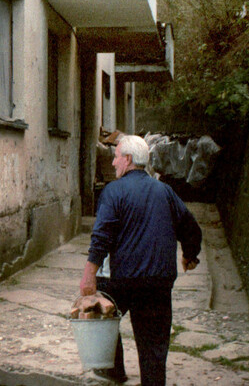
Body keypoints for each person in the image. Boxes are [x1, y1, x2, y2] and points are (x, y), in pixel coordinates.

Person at [79, 134, 202, 385]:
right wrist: (190, 255)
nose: (113, 163)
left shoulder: (113, 192)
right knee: (154, 345)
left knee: (103, 317)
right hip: (158, 281)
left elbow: (101, 236)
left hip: (123, 280)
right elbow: (190, 227)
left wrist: (89, 274)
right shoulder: (165, 191)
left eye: (115, 158)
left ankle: (113, 371)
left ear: (127, 159)